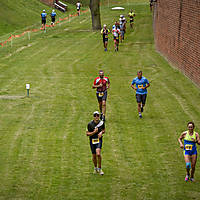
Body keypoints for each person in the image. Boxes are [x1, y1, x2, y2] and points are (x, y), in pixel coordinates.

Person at [86, 111, 105, 175]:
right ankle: (95, 168)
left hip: (99, 140)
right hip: (92, 140)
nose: (96, 117)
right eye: (95, 115)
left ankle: (100, 169)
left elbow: (104, 130)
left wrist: (101, 132)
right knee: (94, 156)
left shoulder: (102, 123)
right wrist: (94, 132)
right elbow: (87, 134)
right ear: (93, 116)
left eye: (97, 115)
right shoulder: (90, 124)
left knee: (98, 154)